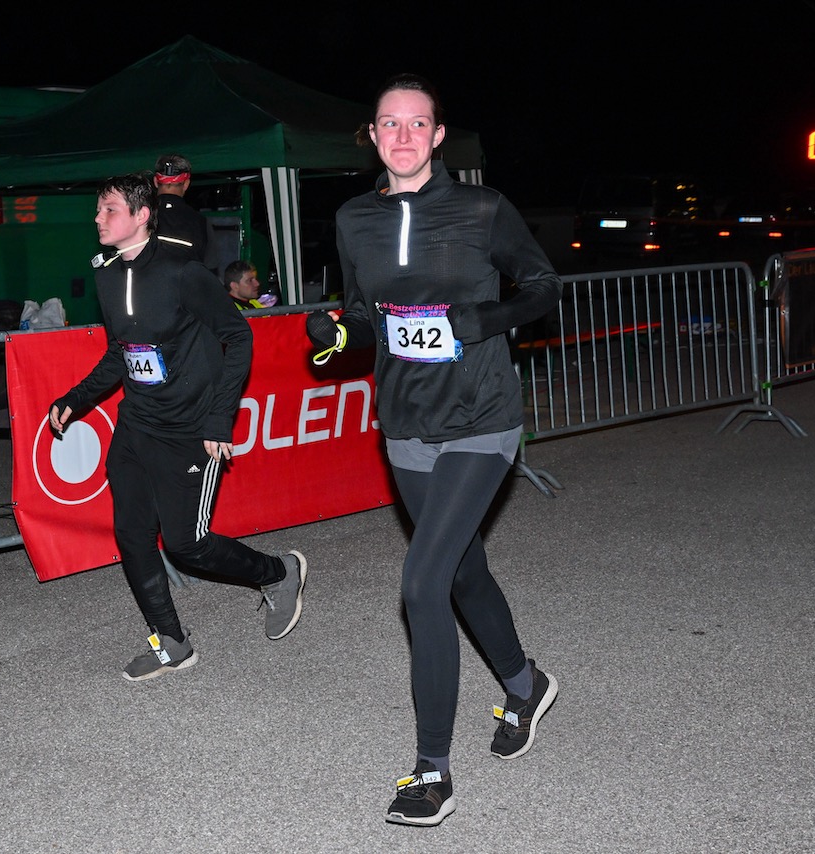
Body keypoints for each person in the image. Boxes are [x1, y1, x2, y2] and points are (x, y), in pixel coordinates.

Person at [305, 74, 563, 827]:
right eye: (390, 125)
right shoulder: (355, 220)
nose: (405, 136)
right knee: (461, 572)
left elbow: (544, 284)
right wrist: (339, 336)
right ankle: (525, 684)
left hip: (482, 417)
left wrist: (488, 319)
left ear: (439, 135)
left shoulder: (482, 208)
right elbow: (364, 314)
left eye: (419, 124)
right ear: (375, 137)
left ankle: (430, 771)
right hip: (407, 422)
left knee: (421, 584)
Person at [50, 173, 307, 682]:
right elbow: (123, 353)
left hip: (189, 427)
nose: (98, 219)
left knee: (187, 544)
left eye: (108, 210)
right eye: (98, 211)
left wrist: (219, 419)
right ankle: (171, 640)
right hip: (137, 423)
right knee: (132, 534)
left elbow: (239, 337)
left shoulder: (182, 272)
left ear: (142, 215)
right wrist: (76, 399)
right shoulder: (105, 273)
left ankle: (279, 573)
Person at [153, 153, 219, 273]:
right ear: (186, 184)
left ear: (156, 181)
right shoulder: (201, 222)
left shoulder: (138, 216)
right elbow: (210, 269)